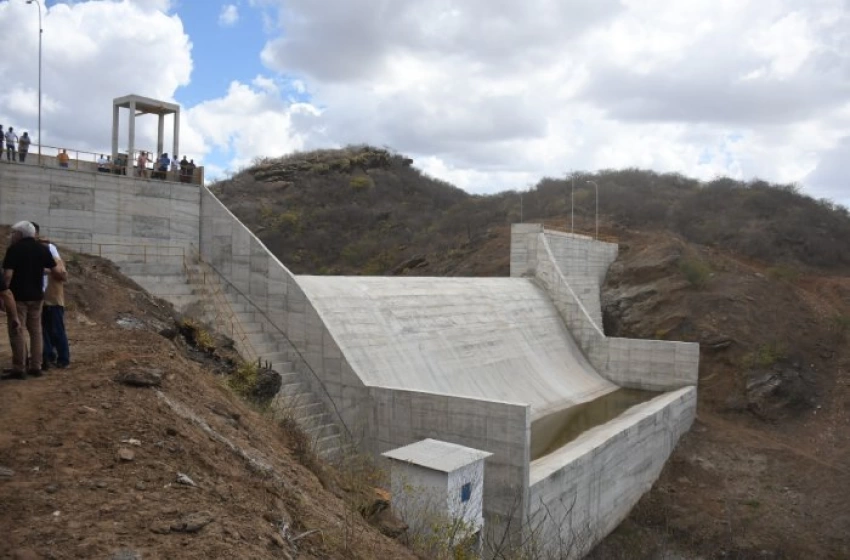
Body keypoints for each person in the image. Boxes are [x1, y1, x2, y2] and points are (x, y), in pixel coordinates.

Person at [2, 221, 62, 377]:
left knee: (17, 330)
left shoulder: (14, 249)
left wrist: (4, 294)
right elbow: (55, 270)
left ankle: (19, 368)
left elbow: (7, 275)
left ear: (20, 234)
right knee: (36, 331)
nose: (12, 235)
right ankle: (36, 366)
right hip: (37, 296)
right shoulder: (42, 249)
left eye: (14, 233)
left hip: (18, 297)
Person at [31, 223, 69, 370]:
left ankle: (63, 358)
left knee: (56, 330)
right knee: (42, 330)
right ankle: (47, 356)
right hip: (39, 297)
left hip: (53, 298)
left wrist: (44, 270)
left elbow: (62, 274)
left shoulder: (50, 249)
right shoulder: (35, 249)